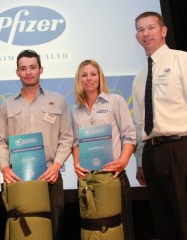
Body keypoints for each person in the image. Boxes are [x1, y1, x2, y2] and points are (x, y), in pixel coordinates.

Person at [0, 49, 73, 240]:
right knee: (23, 233)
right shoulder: (7, 106)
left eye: (32, 67)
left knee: (54, 230)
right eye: (23, 68)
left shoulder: (58, 100)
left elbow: (67, 138)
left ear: (40, 69)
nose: (28, 72)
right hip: (18, 179)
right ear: (17, 72)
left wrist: (57, 166)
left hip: (50, 176)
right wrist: (4, 168)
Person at [132, 11, 187, 240]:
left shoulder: (181, 60)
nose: (146, 34)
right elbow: (139, 123)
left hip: (180, 150)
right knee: (163, 221)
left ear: (163, 30)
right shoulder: (140, 75)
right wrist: (140, 161)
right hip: (152, 155)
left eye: (151, 27)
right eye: (140, 29)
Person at [71, 60, 136, 240]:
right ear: (79, 79)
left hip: (113, 177)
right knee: (93, 231)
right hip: (88, 180)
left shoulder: (115, 101)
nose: (89, 79)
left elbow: (129, 135)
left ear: (100, 77)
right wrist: (76, 164)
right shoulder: (76, 111)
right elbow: (75, 142)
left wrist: (123, 162)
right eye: (84, 75)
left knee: (124, 231)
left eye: (93, 74)